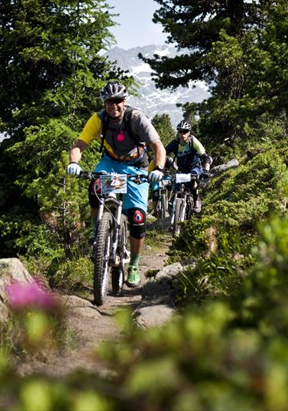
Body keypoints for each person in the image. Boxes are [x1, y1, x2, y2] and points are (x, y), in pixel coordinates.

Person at [66, 82, 167, 288]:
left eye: (118, 101)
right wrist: (74, 162)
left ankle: (135, 266)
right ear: (105, 103)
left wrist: (158, 169)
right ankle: (97, 232)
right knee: (96, 185)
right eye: (110, 102)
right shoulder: (99, 119)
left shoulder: (137, 118)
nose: (114, 106)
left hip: (136, 168)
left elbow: (158, 146)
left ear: (125, 101)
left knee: (137, 219)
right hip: (110, 164)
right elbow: (79, 145)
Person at [163, 119, 212, 212]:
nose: (182, 134)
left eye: (185, 132)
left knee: (192, 180)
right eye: (180, 132)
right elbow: (162, 153)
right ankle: (173, 206)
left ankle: (196, 198)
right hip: (181, 169)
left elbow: (206, 158)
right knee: (176, 187)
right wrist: (159, 168)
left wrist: (206, 170)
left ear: (189, 132)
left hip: (194, 168)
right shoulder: (175, 143)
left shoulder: (193, 141)